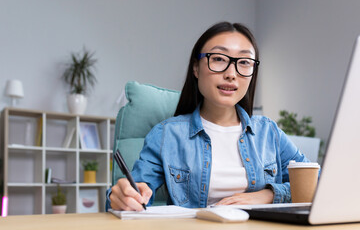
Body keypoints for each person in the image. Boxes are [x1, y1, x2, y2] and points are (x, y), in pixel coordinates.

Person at [108, 22, 310, 211]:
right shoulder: (167, 135)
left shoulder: (269, 132)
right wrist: (123, 198)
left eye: (244, 62)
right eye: (219, 59)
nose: (232, 73)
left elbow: (313, 181)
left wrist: (267, 195)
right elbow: (136, 190)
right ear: (196, 67)